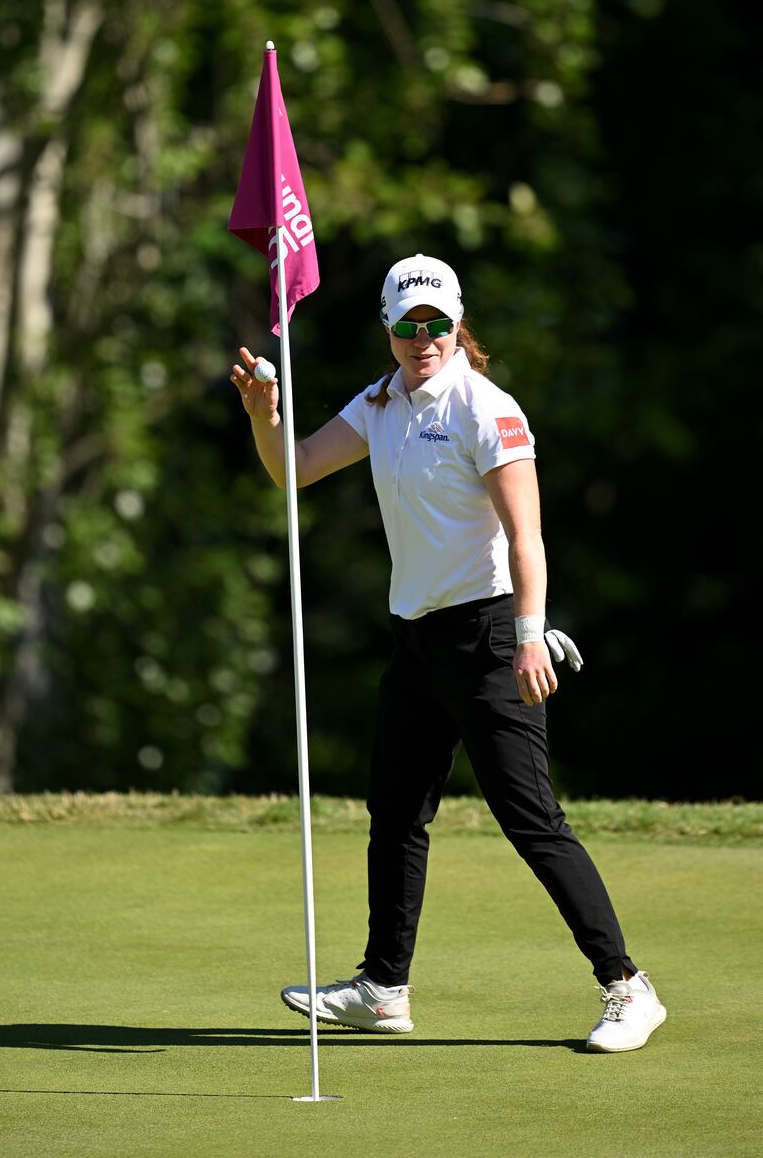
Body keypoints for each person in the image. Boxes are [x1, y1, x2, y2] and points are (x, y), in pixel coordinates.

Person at [230, 253, 666, 1053]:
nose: (421, 337)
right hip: (418, 640)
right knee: (394, 816)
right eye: (407, 324)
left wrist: (531, 634)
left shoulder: (485, 409)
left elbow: (527, 537)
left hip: (489, 637)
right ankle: (383, 987)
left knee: (530, 819)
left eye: (435, 323)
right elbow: (294, 470)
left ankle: (627, 988)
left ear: (456, 325)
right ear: (389, 330)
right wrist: (267, 413)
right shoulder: (380, 403)